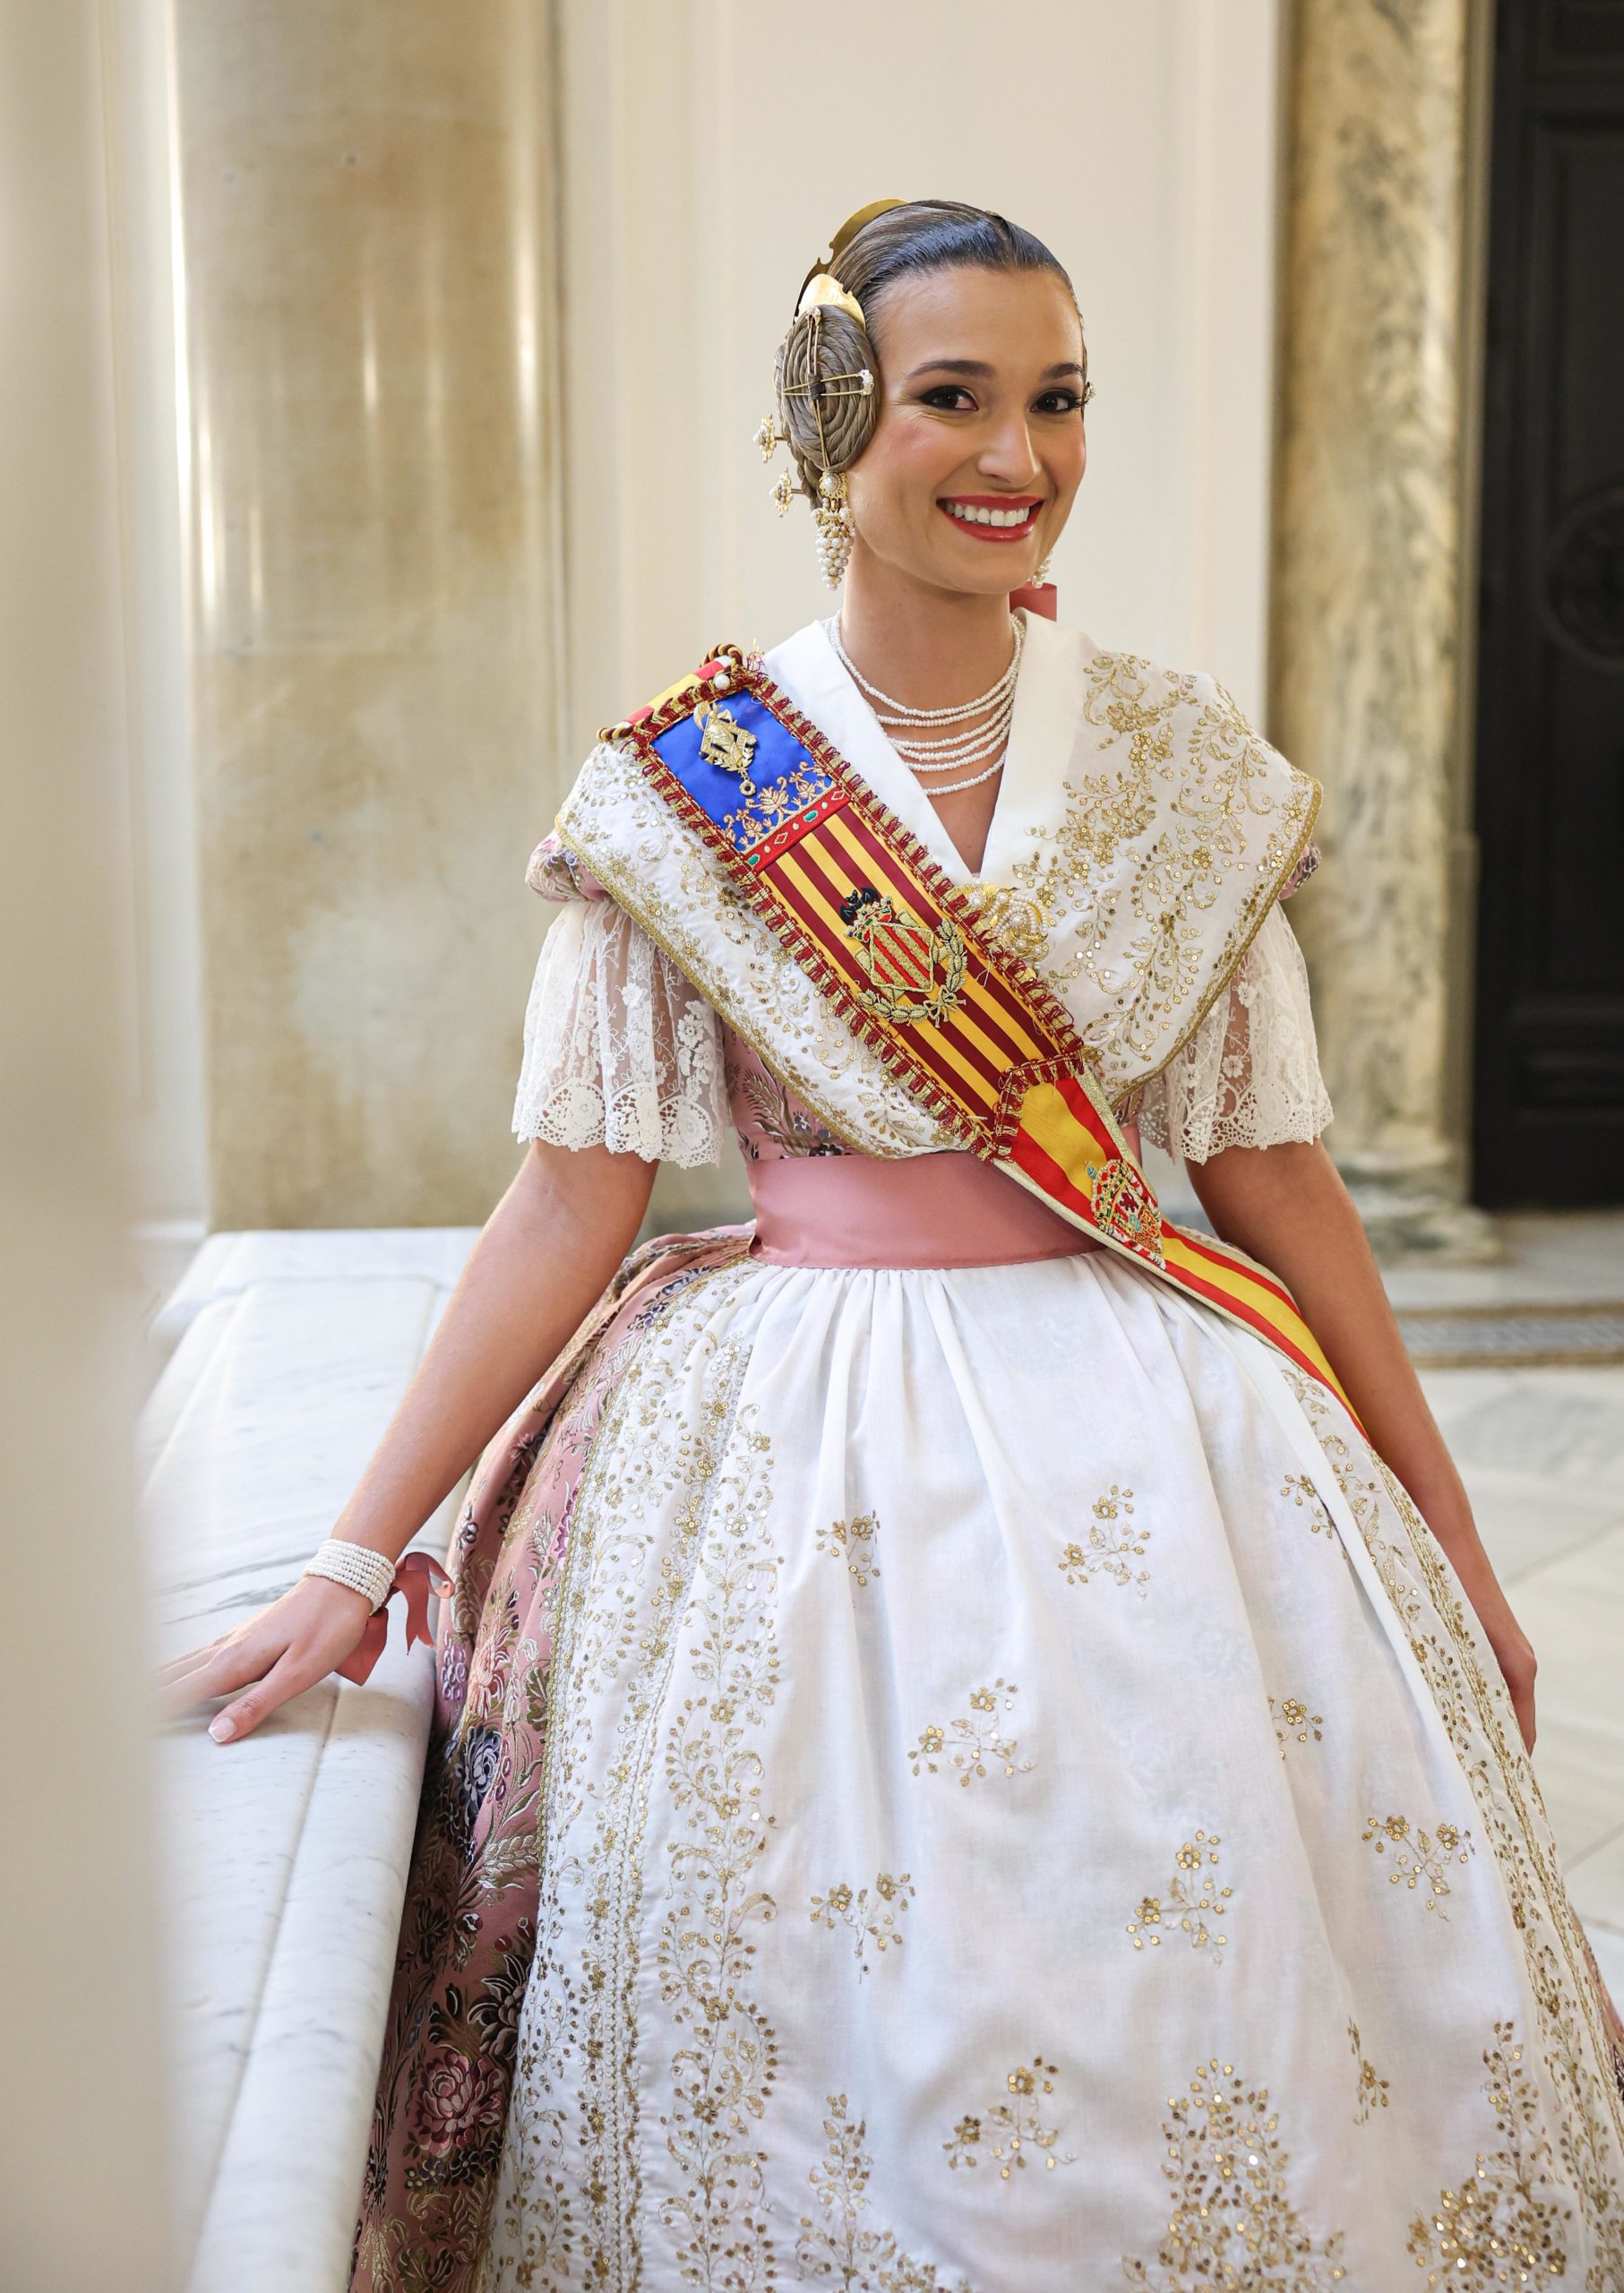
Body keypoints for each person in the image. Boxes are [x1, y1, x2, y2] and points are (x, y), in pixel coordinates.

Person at [164, 199, 1623, 2290]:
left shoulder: (1182, 773)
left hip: (1163, 1426)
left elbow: (1280, 1178)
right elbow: (566, 1199)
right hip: (796, 1454)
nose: (1018, 453)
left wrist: (1448, 1532)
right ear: (832, 421)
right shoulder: (690, 788)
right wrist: (347, 1553)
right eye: (953, 397)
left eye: (1058, 398)